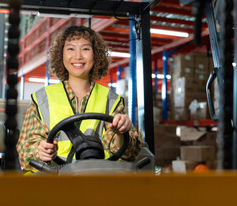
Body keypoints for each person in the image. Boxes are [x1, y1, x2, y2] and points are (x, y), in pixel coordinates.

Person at [16, 26, 142, 173]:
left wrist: (121, 132)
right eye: (70, 49)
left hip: (99, 179)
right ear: (60, 54)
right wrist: (41, 151)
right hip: (54, 181)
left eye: (85, 49)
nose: (78, 56)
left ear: (96, 55)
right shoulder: (42, 99)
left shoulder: (111, 100)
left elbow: (130, 153)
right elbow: (25, 151)